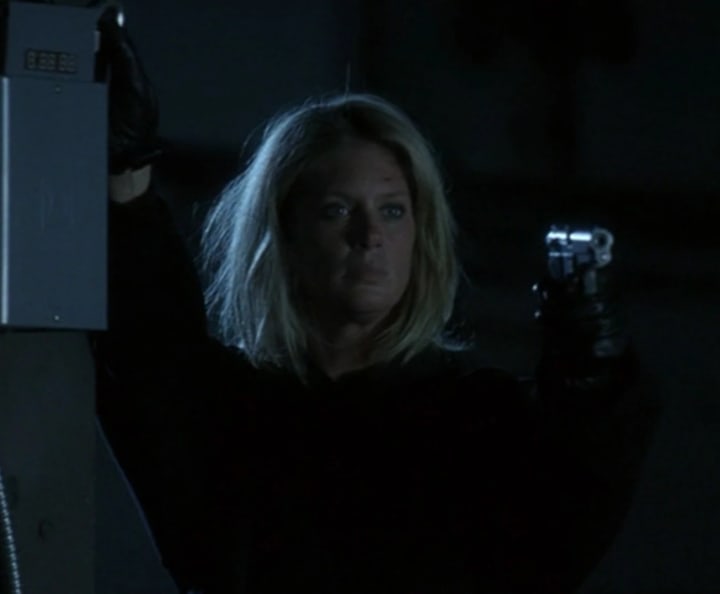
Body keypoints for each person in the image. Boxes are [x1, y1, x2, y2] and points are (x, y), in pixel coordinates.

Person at [95, 19, 658, 594]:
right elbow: (148, 349)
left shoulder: (477, 424)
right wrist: (124, 168)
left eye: (392, 211)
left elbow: (573, 504)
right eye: (337, 210)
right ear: (285, 235)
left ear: (420, 233)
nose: (369, 237)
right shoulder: (233, 418)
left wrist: (593, 375)